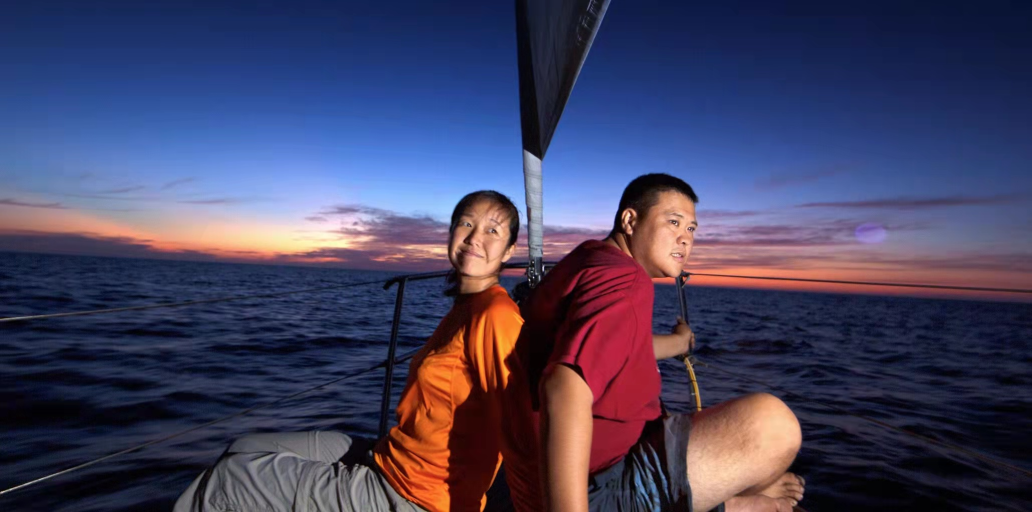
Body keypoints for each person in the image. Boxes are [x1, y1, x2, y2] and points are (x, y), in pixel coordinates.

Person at [175, 190, 527, 512]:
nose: (474, 238)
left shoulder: (495, 316)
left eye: (492, 231)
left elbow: (524, 424)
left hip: (416, 495)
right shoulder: (465, 307)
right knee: (245, 447)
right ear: (450, 232)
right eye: (466, 223)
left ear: (509, 251)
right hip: (392, 457)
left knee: (227, 480)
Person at [502, 174, 806, 512]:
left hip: (529, 477)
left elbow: (608, 349)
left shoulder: (587, 260)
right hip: (595, 488)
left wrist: (678, 343)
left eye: (691, 229)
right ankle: (738, 506)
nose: (685, 238)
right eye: (673, 221)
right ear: (630, 220)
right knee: (774, 426)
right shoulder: (627, 279)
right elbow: (564, 386)